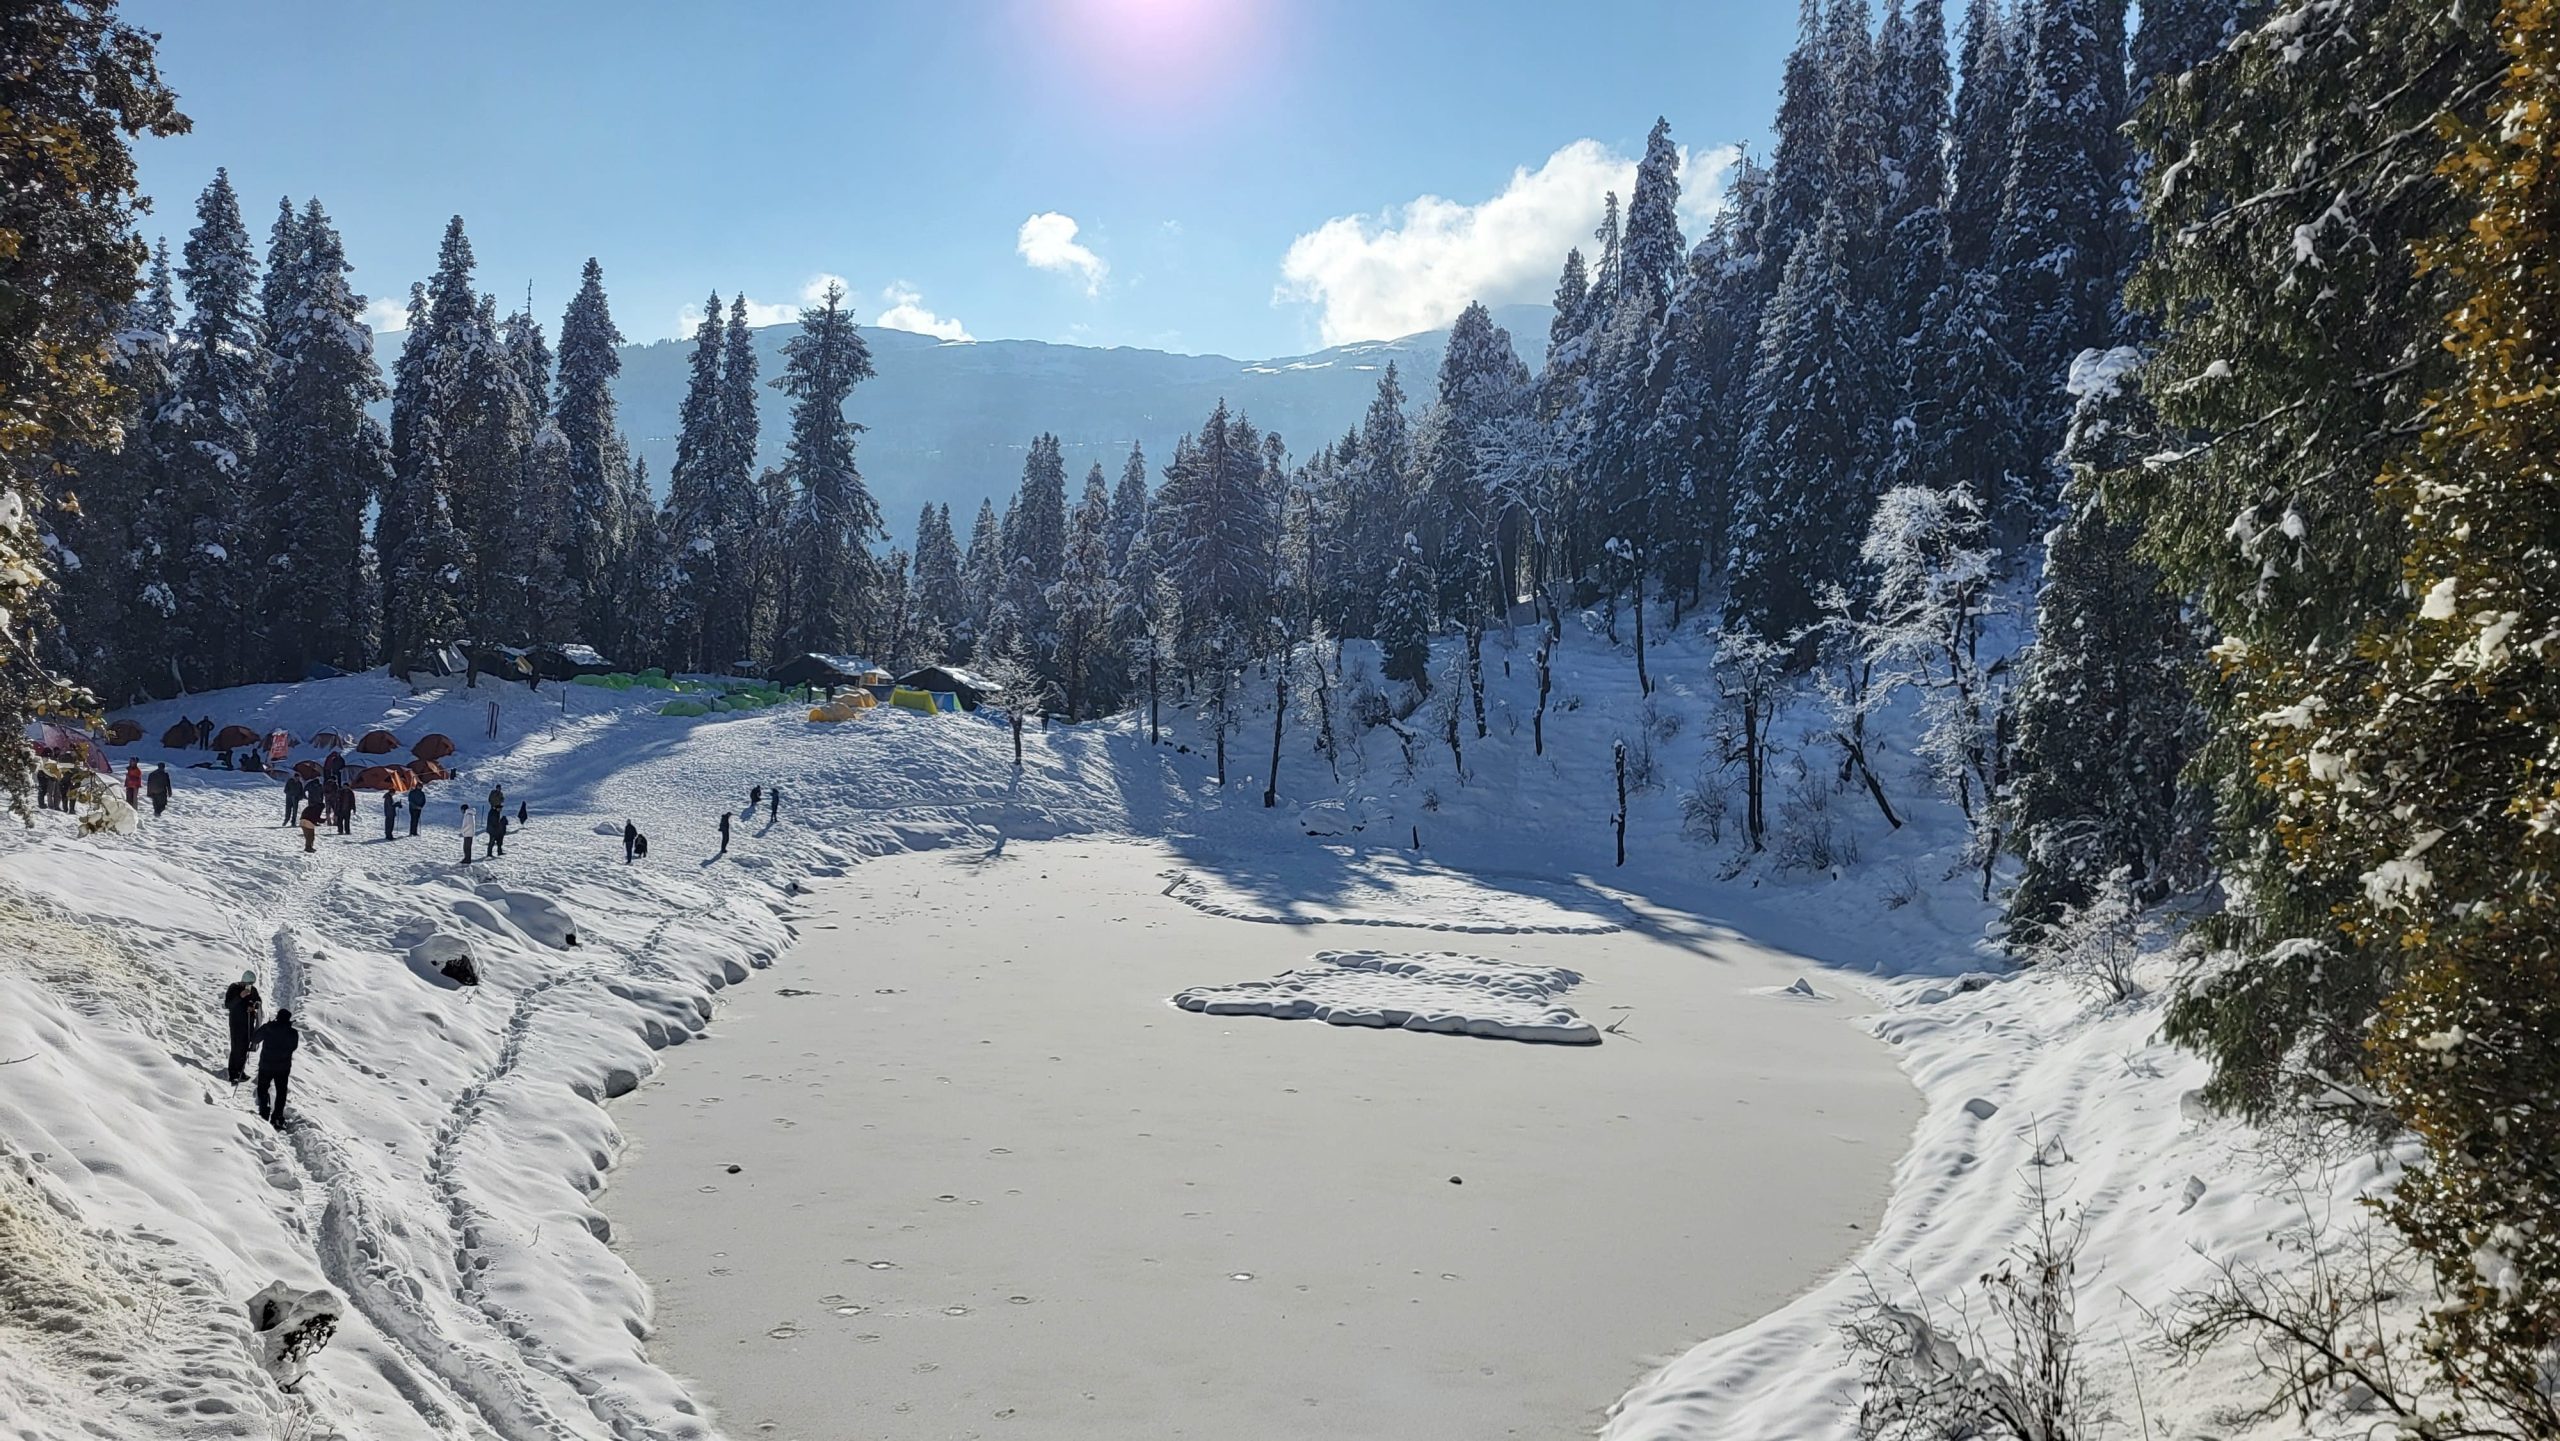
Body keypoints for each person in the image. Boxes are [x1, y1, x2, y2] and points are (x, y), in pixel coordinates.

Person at [250, 1008, 298, 1129]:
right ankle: (277, 1117)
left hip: (266, 1064)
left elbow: (255, 1039)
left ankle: (264, 1111)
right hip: (283, 1067)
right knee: (281, 1092)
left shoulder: (268, 1028)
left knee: (262, 1089)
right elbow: (293, 1047)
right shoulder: (293, 1032)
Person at [221, 971, 261, 1084]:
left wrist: (254, 1006)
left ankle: (241, 1071)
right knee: (237, 1046)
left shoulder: (253, 990)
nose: (249, 985)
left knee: (244, 1047)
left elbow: (258, 1001)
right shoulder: (234, 988)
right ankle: (233, 1073)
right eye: (247, 983)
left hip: (248, 1022)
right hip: (236, 1022)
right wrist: (240, 996)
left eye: (251, 983)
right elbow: (228, 1004)